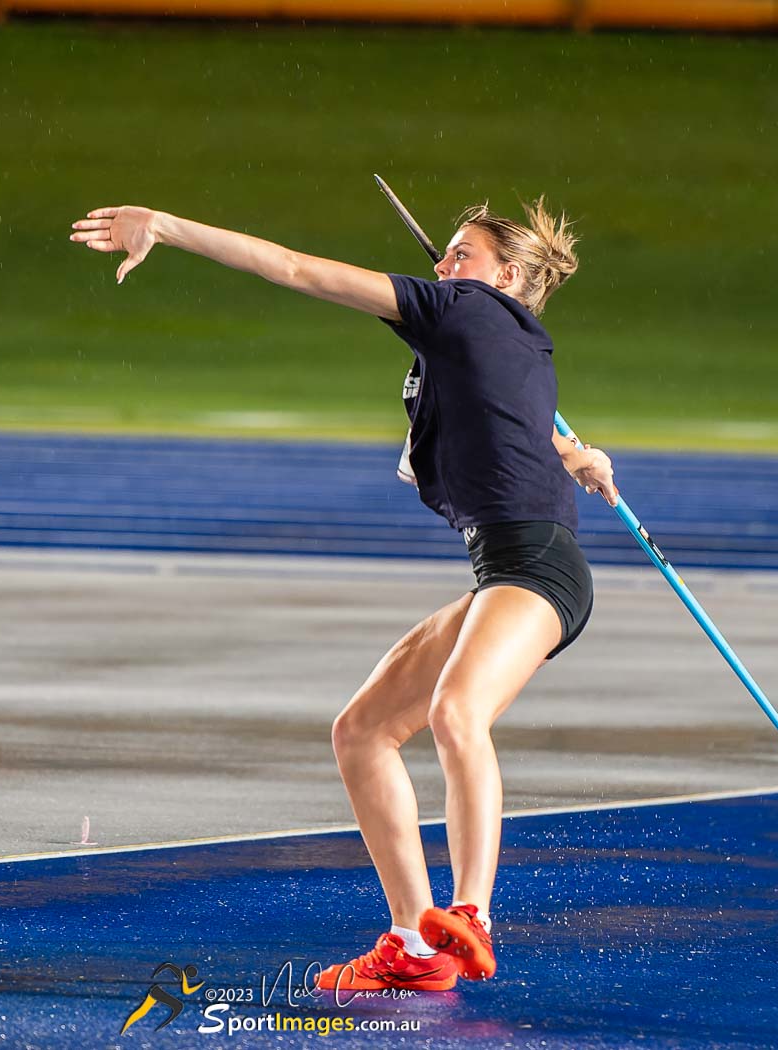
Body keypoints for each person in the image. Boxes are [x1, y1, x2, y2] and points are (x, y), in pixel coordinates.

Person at [70, 198, 618, 993]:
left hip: (536, 567)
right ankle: (414, 945)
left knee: (456, 713)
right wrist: (578, 454)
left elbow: (295, 268)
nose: (442, 266)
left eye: (460, 255)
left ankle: (472, 914)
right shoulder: (512, 340)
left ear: (504, 277)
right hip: (502, 567)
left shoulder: (461, 309)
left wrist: (167, 224)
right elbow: (517, 427)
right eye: (446, 256)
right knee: (361, 731)